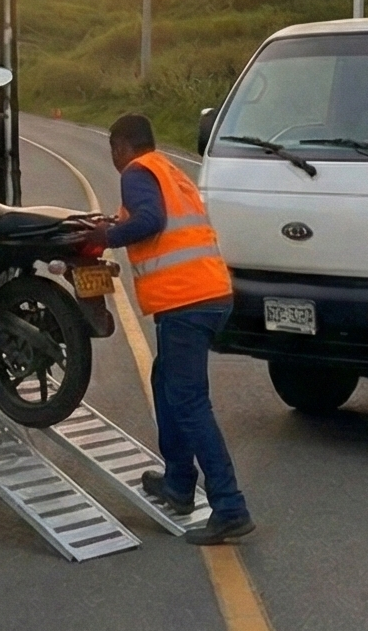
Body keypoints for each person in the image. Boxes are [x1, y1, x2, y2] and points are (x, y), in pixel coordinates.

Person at [101, 113, 254, 544]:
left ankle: (229, 506)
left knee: (189, 402)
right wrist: (114, 226)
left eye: (113, 151)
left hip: (186, 302)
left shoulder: (137, 172)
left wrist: (104, 238)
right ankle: (179, 483)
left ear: (121, 147)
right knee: (164, 379)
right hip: (211, 294)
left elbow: (149, 220)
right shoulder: (170, 170)